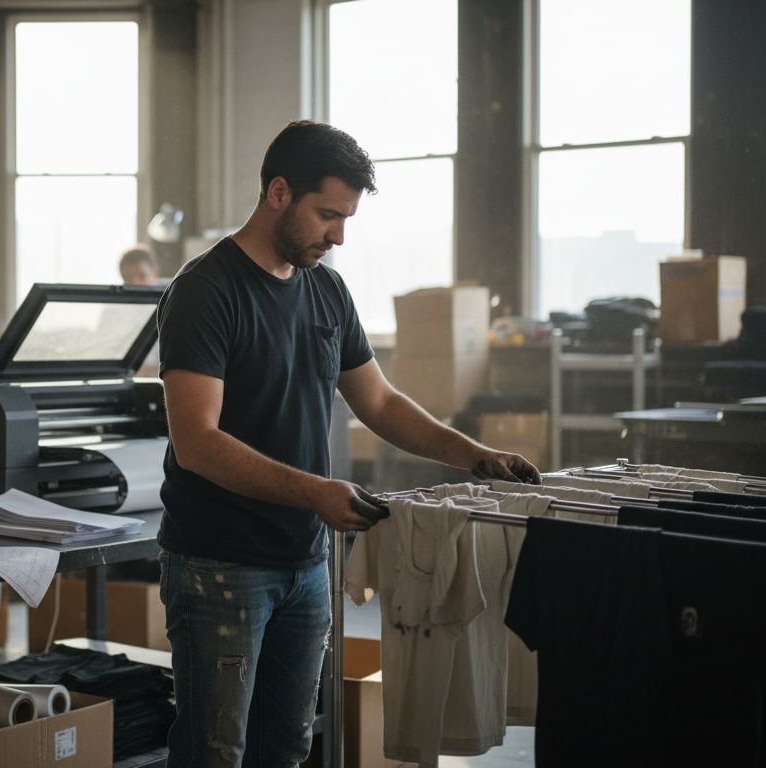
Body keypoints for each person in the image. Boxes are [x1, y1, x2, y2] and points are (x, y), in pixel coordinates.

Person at [156, 120, 541, 768]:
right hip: (220, 567)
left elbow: (381, 402)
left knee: (286, 748)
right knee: (214, 752)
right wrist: (315, 491)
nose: (338, 236)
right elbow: (196, 441)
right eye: (328, 215)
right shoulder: (206, 292)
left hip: (306, 564)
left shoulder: (326, 289)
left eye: (346, 219)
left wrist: (475, 455)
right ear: (278, 192)